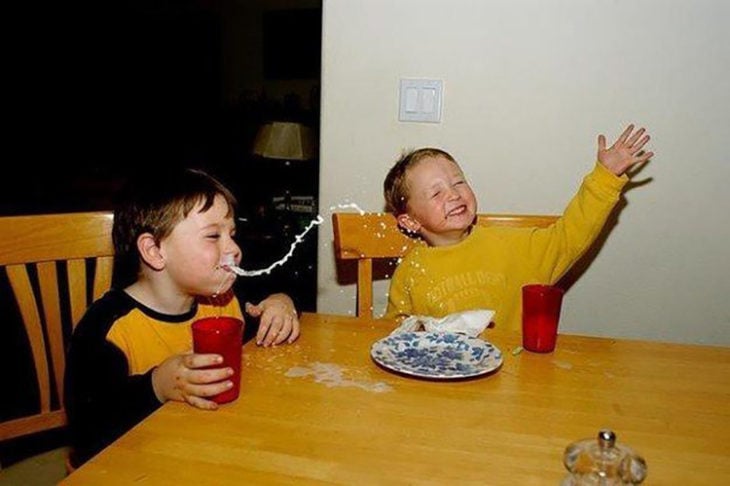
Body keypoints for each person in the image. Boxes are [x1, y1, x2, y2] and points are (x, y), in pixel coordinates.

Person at [64, 168, 300, 469]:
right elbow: (88, 430)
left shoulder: (224, 302)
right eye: (213, 236)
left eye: (232, 234)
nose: (234, 250)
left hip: (202, 455)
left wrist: (281, 303)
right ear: (154, 251)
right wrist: (156, 386)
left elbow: (267, 307)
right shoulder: (107, 330)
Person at [382, 124, 654, 331]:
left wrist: (604, 177)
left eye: (458, 182)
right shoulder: (411, 272)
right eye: (436, 193)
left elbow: (569, 236)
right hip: (441, 383)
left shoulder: (513, 248)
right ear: (410, 221)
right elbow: (396, 335)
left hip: (513, 382)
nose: (453, 195)